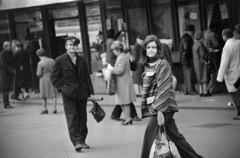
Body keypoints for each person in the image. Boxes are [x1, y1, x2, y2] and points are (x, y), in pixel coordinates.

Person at [140, 34, 203, 158]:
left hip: (163, 108)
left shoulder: (162, 64)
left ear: (158, 49)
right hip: (157, 107)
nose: (151, 50)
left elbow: (164, 88)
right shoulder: (148, 65)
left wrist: (158, 110)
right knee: (175, 137)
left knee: (150, 134)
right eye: (148, 47)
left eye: (153, 47)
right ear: (145, 49)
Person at [50, 36, 94, 152]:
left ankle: (83, 140)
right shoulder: (59, 60)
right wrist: (62, 89)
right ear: (66, 46)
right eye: (70, 45)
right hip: (68, 94)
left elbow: (86, 77)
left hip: (82, 93)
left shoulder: (82, 60)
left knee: (82, 117)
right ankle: (76, 142)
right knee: (72, 117)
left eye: (75, 45)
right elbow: (54, 77)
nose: (73, 47)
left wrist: (91, 93)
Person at [110, 41, 136, 125]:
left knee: (124, 102)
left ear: (118, 49)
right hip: (123, 82)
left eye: (114, 50)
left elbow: (120, 71)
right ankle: (128, 118)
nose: (113, 51)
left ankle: (128, 118)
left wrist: (112, 70)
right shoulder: (123, 56)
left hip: (123, 83)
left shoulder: (121, 57)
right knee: (123, 102)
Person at [217, 29, 240, 120]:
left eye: (223, 36)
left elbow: (224, 63)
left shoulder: (227, 47)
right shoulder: (238, 43)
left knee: (235, 94)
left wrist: (220, 77)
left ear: (225, 36)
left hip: (233, 73)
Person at [36, 48, 58, 114]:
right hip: (52, 78)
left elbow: (39, 74)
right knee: (53, 95)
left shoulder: (40, 63)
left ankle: (45, 109)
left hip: (44, 79)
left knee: (43, 95)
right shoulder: (52, 60)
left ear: (39, 56)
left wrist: (37, 73)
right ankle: (54, 109)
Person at [203, 23, 221, 95]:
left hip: (204, 55)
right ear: (214, 28)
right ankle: (212, 89)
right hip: (212, 54)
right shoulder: (213, 34)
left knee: (207, 73)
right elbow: (216, 44)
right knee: (214, 71)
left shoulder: (203, 33)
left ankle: (206, 89)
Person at [0, 41, 18, 108]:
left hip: (10, 73)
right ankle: (6, 104)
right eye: (9, 45)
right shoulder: (3, 53)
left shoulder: (10, 53)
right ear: (5, 46)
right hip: (5, 73)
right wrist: (12, 70)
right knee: (5, 89)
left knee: (7, 89)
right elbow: (3, 64)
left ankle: (7, 103)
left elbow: (13, 61)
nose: (10, 46)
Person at [180, 24, 197, 95]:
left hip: (184, 59)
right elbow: (186, 48)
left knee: (186, 75)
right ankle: (191, 90)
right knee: (190, 75)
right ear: (191, 31)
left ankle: (186, 90)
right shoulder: (187, 38)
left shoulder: (184, 37)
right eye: (193, 31)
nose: (194, 33)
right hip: (188, 59)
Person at [193, 32, 210, 97]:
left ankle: (200, 91)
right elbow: (203, 54)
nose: (204, 38)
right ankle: (205, 91)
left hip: (196, 63)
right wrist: (208, 53)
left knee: (199, 77)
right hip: (202, 62)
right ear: (201, 38)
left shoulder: (194, 44)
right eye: (204, 37)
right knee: (204, 76)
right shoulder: (200, 44)